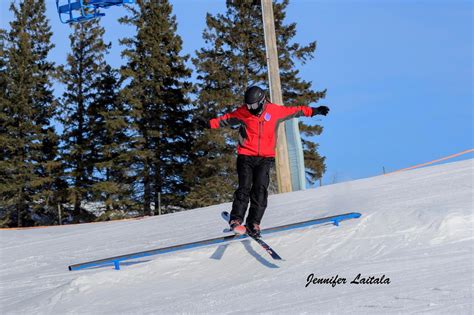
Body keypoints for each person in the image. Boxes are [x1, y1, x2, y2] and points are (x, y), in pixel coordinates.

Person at [198, 86, 329, 237]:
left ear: (261, 101)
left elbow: (296, 110)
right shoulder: (243, 112)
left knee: (260, 190)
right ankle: (236, 219)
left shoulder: (275, 111)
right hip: (245, 155)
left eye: (253, 105)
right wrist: (208, 123)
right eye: (248, 105)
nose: (250, 108)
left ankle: (254, 223)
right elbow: (225, 119)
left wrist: (314, 111)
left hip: (265, 158)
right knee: (244, 188)